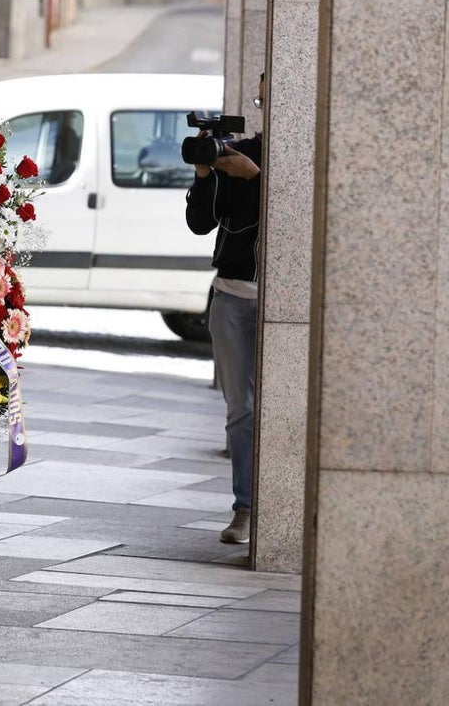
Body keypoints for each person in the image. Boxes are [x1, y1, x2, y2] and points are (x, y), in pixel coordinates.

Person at [184, 74, 265, 545]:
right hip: (233, 296)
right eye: (262, 94)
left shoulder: (292, 156)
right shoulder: (237, 153)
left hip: (284, 302)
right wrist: (204, 173)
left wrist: (255, 180)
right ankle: (246, 510)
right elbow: (200, 224)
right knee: (243, 410)